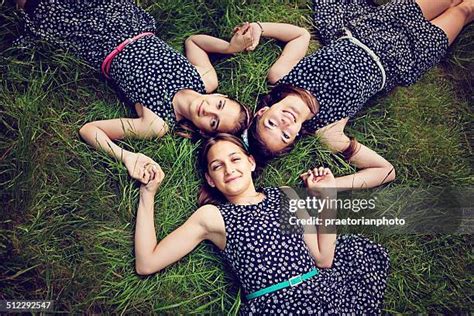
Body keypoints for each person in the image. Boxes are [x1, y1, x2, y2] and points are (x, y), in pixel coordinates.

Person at [134, 133, 390, 314]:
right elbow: (147, 262)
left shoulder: (285, 195)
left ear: (251, 162)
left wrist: (327, 197)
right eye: (217, 166)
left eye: (235, 159)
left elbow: (323, 259)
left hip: (324, 295)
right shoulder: (211, 216)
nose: (229, 169)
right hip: (275, 306)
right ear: (211, 180)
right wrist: (148, 193)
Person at [243, 0, 474, 190]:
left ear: (263, 111)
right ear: (294, 138)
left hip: (374, 26)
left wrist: (259, 27)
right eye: (285, 136)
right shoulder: (328, 131)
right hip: (404, 58)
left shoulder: (281, 78)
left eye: (271, 123)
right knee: (463, 11)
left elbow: (300, 36)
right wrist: (332, 186)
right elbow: (386, 172)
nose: (284, 124)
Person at [15, 0, 252, 184]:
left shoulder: (158, 123)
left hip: (96, 41)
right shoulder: (206, 79)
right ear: (220, 96)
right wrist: (229, 48)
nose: (209, 110)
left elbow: (90, 130)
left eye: (213, 122)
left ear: (202, 130)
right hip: (126, 20)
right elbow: (194, 42)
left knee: (36, 7)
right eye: (219, 106)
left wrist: (127, 157)